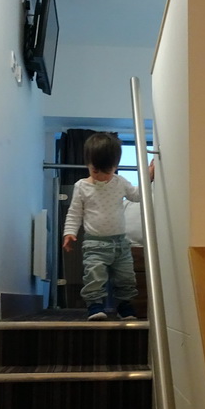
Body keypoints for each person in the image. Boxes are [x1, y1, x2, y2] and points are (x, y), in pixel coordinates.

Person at [62, 132, 152, 321]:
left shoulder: (120, 183)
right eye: (96, 171)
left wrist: (148, 177)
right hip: (94, 245)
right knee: (94, 277)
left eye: (107, 171)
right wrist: (69, 233)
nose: (102, 176)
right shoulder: (82, 187)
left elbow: (136, 196)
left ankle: (124, 306)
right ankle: (95, 306)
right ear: (88, 164)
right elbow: (74, 213)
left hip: (121, 244)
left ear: (115, 167)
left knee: (126, 278)